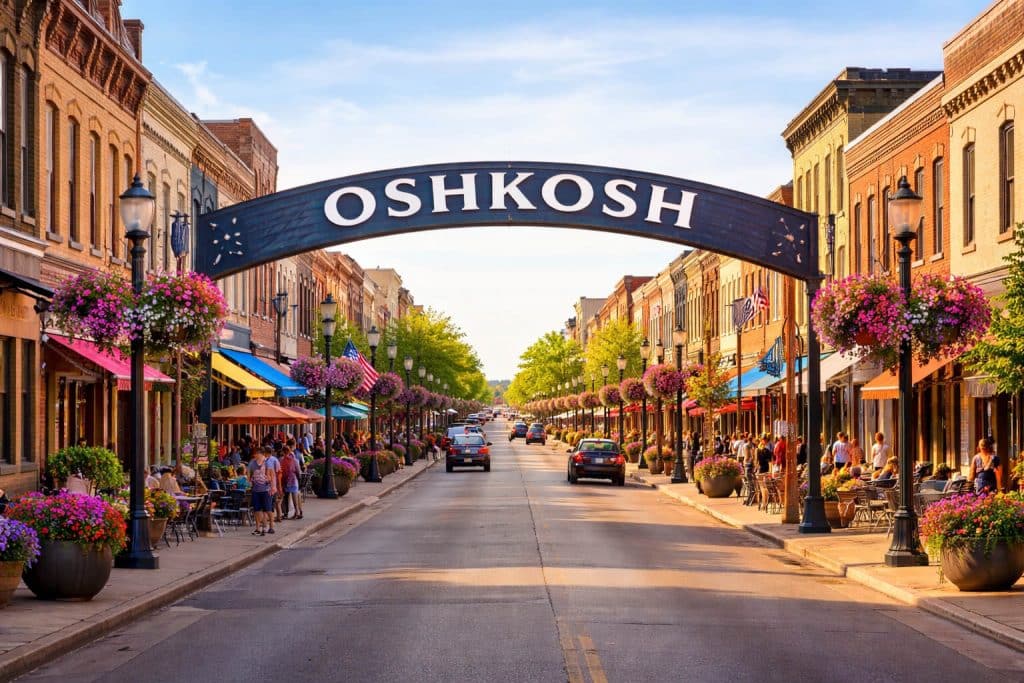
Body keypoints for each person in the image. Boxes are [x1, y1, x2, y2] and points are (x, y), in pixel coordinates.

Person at [248, 448, 275, 536]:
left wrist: (273, 487)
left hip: (266, 490)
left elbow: (272, 475)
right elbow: (249, 474)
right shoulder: (252, 463)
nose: (254, 455)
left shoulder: (268, 463)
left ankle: (271, 526)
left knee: (268, 509)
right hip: (256, 490)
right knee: (257, 510)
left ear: (260, 454)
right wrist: (250, 481)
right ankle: (258, 528)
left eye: (256, 453)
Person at [281, 447, 303, 520]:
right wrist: (299, 479)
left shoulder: (282, 460)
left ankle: (285, 513)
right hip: (293, 480)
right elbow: (298, 471)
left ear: (283, 452)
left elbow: (281, 471)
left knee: (285, 498)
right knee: (294, 497)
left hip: (285, 480)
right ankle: (297, 512)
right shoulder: (294, 460)